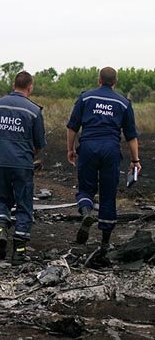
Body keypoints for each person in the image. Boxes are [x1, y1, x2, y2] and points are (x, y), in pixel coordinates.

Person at [66, 67, 140, 265]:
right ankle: (105, 244)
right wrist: (135, 161)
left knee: (85, 189)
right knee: (108, 194)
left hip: (88, 147)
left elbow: (72, 127)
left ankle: (87, 213)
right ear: (115, 82)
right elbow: (131, 136)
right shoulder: (123, 103)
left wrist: (71, 150)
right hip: (111, 149)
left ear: (99, 80)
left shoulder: (85, 98)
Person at [0, 71, 47, 265]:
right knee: (24, 205)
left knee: (2, 198)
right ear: (30, 87)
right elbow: (39, 144)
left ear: (13, 84)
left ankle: (1, 228)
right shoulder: (34, 111)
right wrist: (28, 157)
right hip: (22, 165)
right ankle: (18, 253)